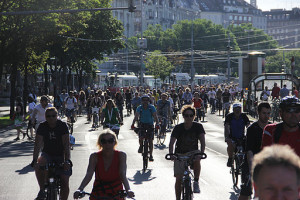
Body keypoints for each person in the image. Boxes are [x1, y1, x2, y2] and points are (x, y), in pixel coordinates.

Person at [73, 130, 134, 200]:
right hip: (98, 193)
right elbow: (89, 174)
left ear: (115, 142)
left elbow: (122, 174)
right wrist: (80, 189)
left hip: (116, 193)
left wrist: (128, 189)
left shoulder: (121, 155)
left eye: (110, 141)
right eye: (104, 141)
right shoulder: (94, 157)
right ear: (100, 143)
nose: (107, 144)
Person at [31, 107, 72, 200]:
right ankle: (42, 190)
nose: (51, 118)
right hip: (48, 154)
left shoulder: (62, 125)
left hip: (61, 155)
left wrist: (67, 161)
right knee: (40, 162)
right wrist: (34, 160)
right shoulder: (42, 126)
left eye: (53, 116)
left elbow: (66, 145)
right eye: (48, 116)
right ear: (45, 117)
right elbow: (37, 145)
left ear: (57, 116)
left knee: (65, 182)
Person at [168, 105, 206, 199]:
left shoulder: (198, 126)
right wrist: (172, 154)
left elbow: (202, 141)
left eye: (191, 115)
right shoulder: (178, 127)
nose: (188, 117)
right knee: (179, 179)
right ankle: (177, 198)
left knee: (197, 157)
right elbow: (172, 142)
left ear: (194, 116)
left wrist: (201, 153)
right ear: (183, 116)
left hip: (193, 152)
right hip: (179, 154)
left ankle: (196, 181)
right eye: (186, 115)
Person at [238, 102, 271, 200]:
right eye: (264, 113)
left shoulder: (273, 128)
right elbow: (249, 151)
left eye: (268, 113)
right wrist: (252, 167)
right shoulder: (252, 129)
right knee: (246, 191)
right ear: (258, 113)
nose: (266, 116)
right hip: (252, 162)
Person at [131, 95, 159, 161]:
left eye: (147, 100)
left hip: (150, 124)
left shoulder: (151, 107)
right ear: (142, 101)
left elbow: (155, 116)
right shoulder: (139, 108)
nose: (145, 101)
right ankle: (141, 146)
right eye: (144, 100)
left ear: (148, 101)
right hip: (142, 124)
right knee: (140, 137)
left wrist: (157, 124)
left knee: (150, 140)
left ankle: (151, 155)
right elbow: (136, 116)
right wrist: (133, 124)